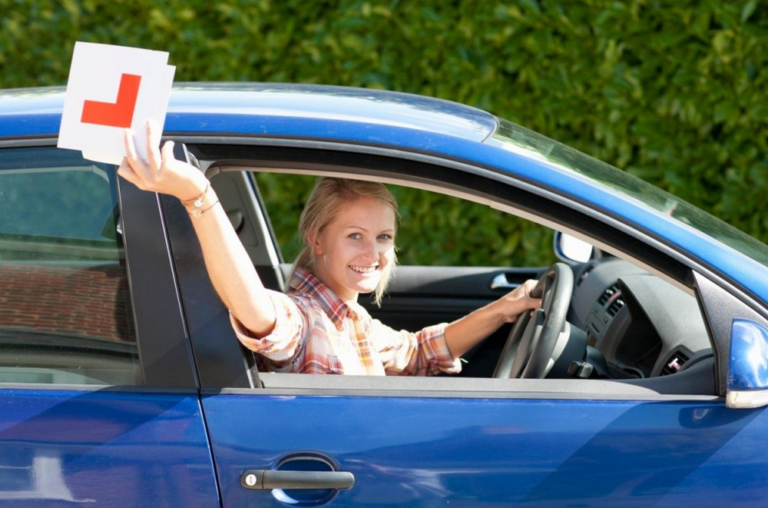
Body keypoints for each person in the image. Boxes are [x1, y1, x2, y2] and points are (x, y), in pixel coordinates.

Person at [119, 121, 541, 376]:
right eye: (354, 235)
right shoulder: (306, 318)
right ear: (317, 238)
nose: (372, 253)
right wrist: (198, 195)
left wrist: (505, 308)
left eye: (383, 238)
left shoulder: (352, 320)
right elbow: (256, 312)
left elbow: (418, 351)